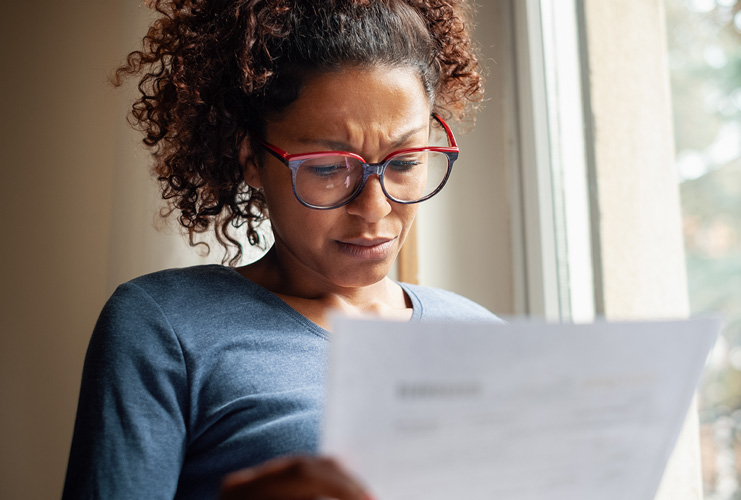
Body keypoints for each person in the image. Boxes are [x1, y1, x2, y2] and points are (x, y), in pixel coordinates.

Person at [62, 0, 496, 498]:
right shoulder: (166, 327)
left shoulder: (482, 337)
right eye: (330, 168)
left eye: (404, 161)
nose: (375, 209)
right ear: (252, 160)